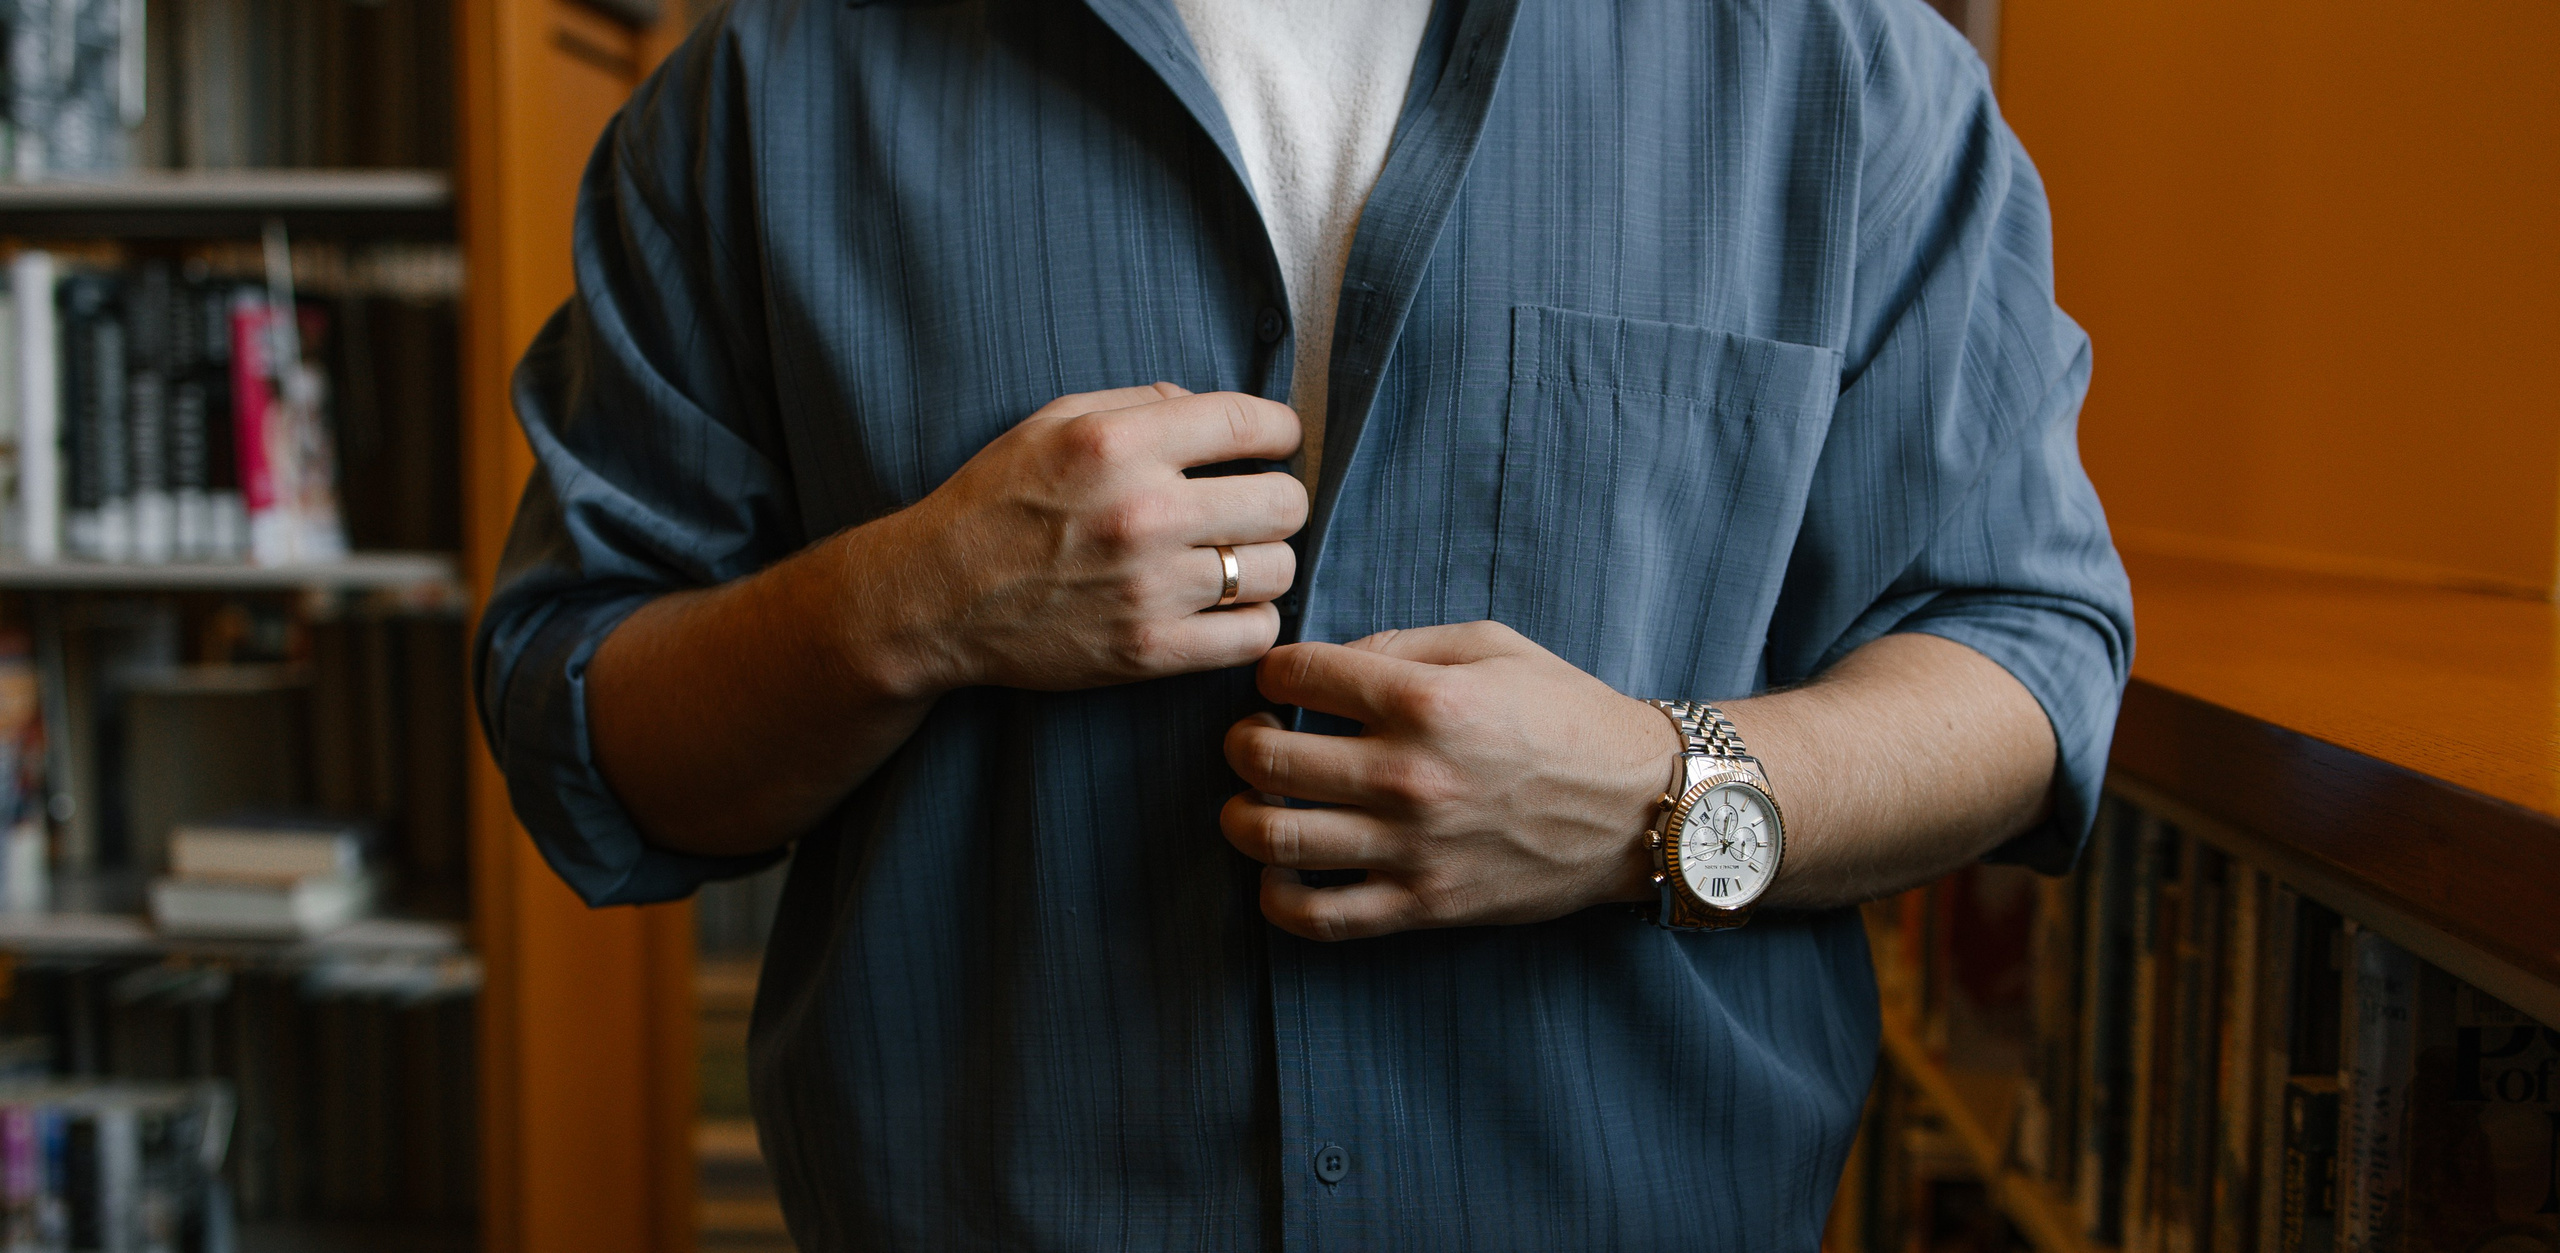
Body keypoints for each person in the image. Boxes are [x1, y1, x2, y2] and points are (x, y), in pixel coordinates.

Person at [474, 0, 2133, 1246]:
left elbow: (2025, 657)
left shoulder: (1843, 68)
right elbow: (589, 737)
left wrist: (1656, 793)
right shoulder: (765, 90)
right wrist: (905, 603)